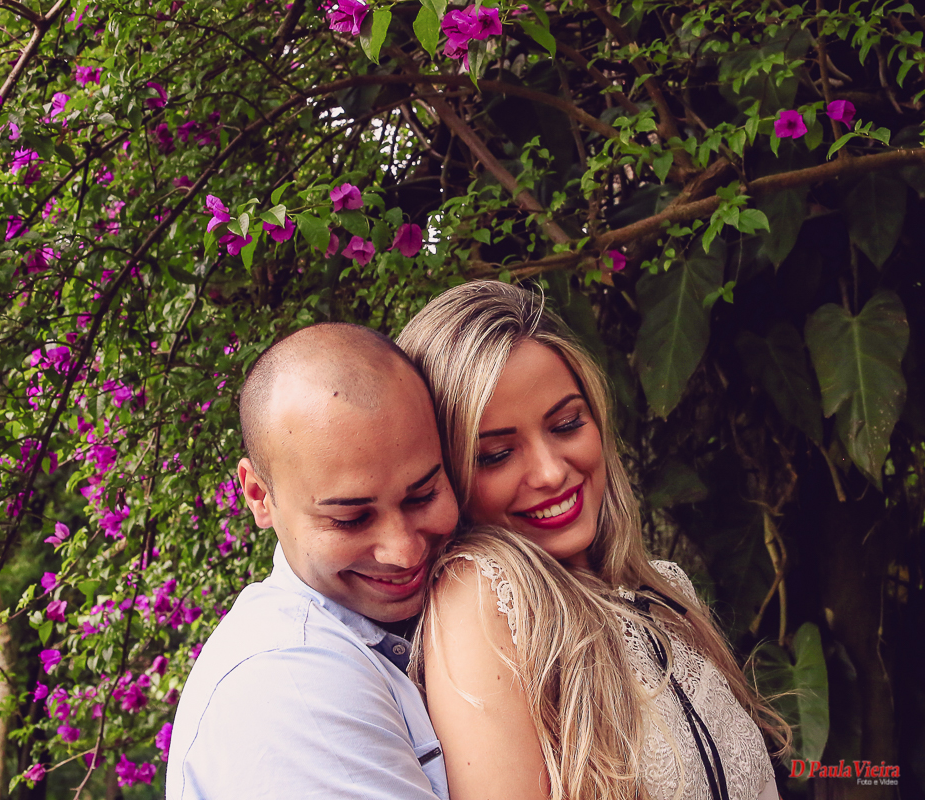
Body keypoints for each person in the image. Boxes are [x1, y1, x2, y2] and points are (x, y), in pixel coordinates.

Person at [396, 280, 790, 800]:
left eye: (565, 424)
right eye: (496, 454)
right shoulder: (481, 596)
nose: (551, 472)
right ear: (447, 474)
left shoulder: (671, 594)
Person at [165, 322, 459, 800]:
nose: (403, 550)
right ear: (259, 496)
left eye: (422, 496)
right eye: (350, 519)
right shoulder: (286, 684)